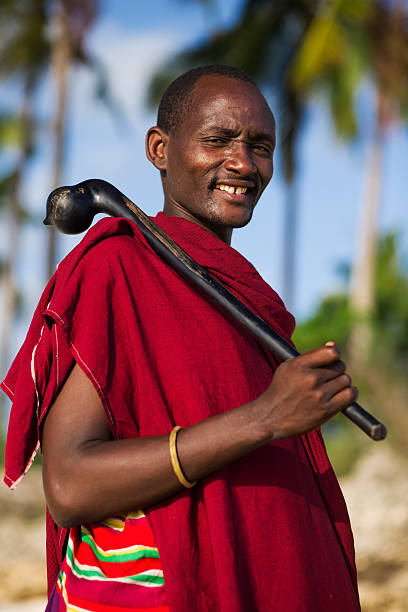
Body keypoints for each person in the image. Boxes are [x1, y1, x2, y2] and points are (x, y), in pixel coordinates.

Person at [2, 65, 361, 611]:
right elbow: (71, 486)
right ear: (159, 149)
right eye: (217, 140)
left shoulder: (249, 299)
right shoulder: (115, 269)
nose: (243, 163)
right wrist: (265, 418)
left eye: (260, 146)